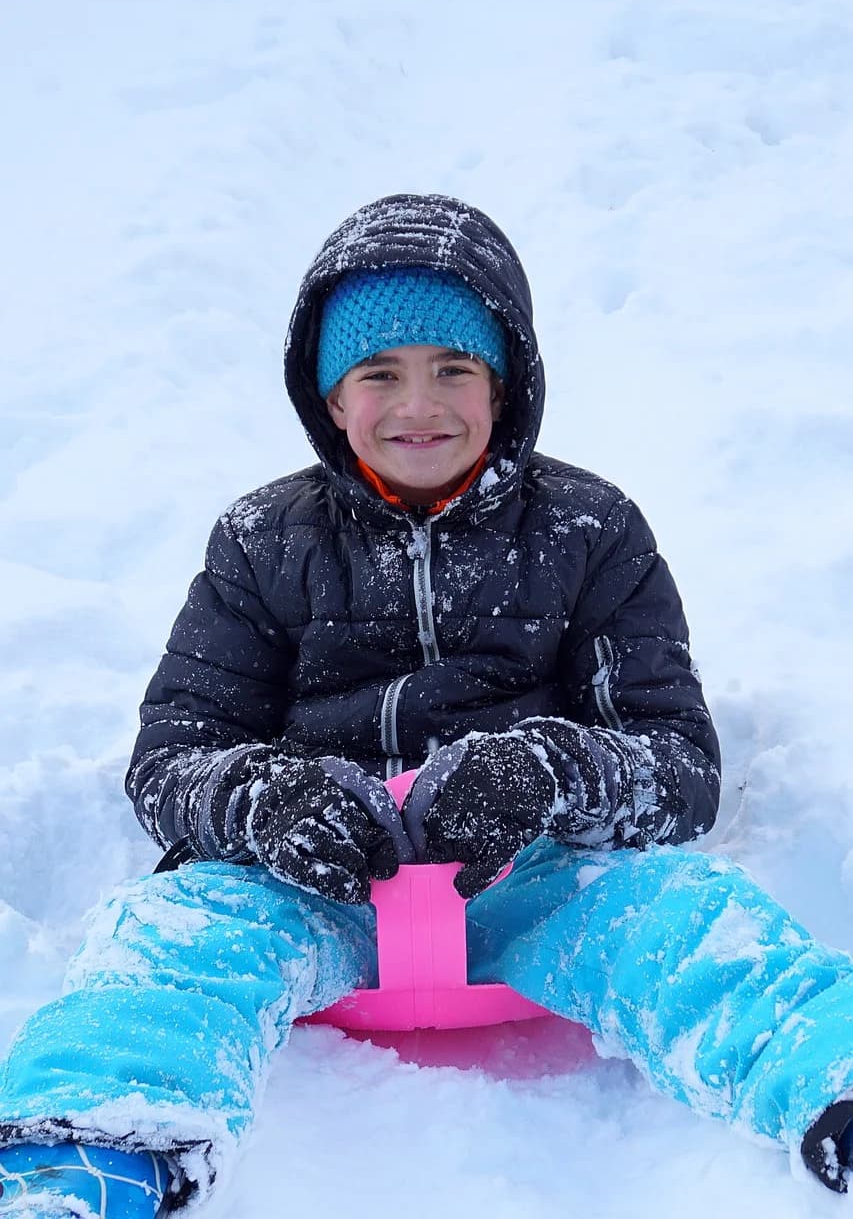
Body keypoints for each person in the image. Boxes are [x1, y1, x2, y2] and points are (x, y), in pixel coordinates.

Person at [2, 193, 853, 1217]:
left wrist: (545, 774)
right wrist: (265, 799)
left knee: (689, 924)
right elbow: (175, 754)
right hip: (313, 875)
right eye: (378, 373)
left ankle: (832, 1078)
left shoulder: (589, 527)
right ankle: (89, 1147)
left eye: (454, 368)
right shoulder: (262, 540)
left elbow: (674, 760)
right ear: (329, 397)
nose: (419, 404)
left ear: (507, 385)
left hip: (535, 868)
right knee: (173, 941)